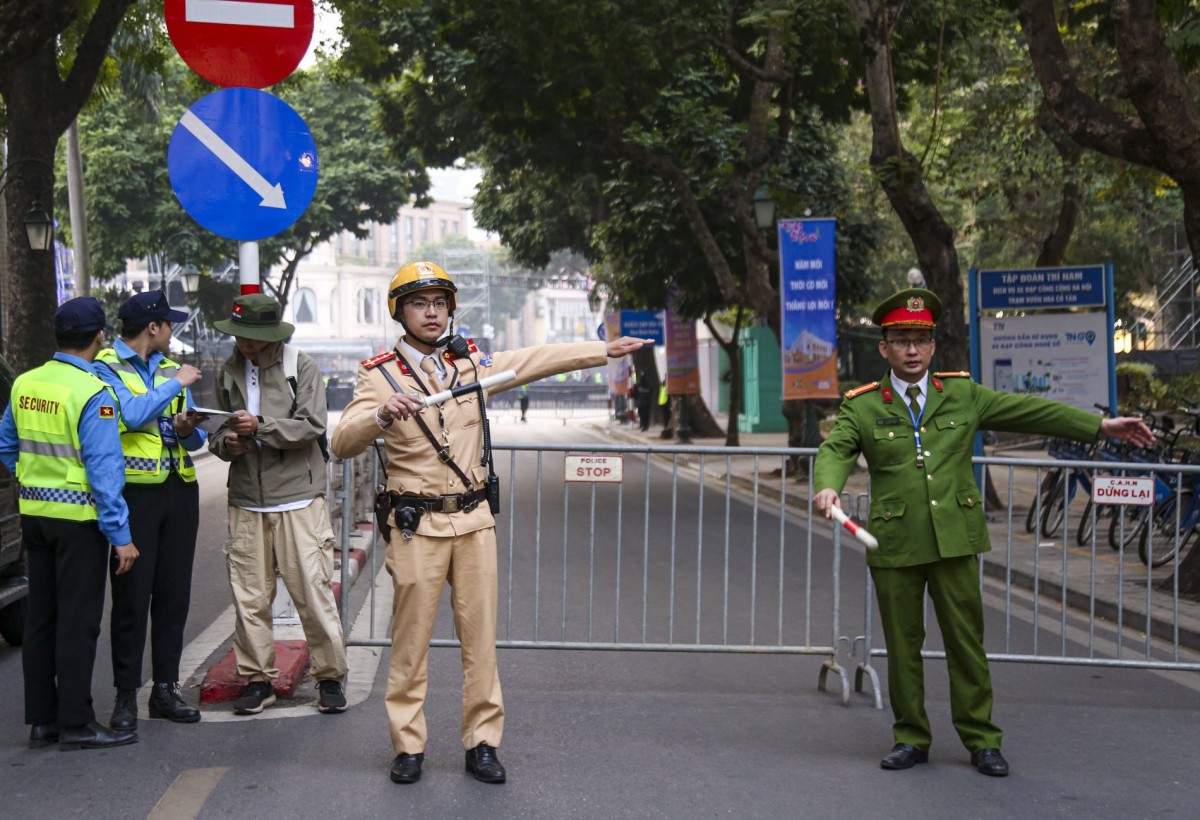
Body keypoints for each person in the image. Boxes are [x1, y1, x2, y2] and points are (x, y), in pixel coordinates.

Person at [812, 286, 1156, 777]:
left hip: (955, 538)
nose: (911, 349)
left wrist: (1100, 427)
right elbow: (836, 450)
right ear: (883, 347)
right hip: (896, 542)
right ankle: (911, 737)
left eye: (920, 339)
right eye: (900, 339)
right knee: (903, 646)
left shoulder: (963, 393)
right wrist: (828, 488)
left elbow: (1030, 410)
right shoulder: (863, 406)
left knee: (965, 643)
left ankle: (981, 740)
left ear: (933, 347)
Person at [329, 260, 649, 786]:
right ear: (400, 312)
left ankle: (482, 742)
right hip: (417, 528)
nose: (431, 313)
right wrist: (382, 415)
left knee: (481, 642)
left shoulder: (468, 363)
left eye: (439, 303)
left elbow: (529, 360)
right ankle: (408, 745)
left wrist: (599, 351)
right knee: (410, 643)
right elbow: (342, 441)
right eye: (419, 303)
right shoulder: (379, 374)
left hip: (474, 522)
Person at [0, 297, 140, 750]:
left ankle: (42, 721)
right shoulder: (91, 392)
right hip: (79, 522)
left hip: (35, 518)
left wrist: (29, 478)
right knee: (78, 623)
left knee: (42, 617)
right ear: (99, 338)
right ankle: (78, 722)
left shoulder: (24, 383)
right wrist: (121, 536)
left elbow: (6, 443)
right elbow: (103, 471)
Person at [208, 294, 348, 716]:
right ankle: (256, 679)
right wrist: (227, 443)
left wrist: (262, 427)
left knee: (312, 593)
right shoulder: (228, 371)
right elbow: (217, 433)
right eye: (240, 337)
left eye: (253, 338)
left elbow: (312, 424)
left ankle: (330, 678)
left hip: (298, 499)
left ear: (271, 335)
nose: (246, 345)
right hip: (247, 500)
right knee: (249, 597)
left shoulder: (299, 366)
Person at [94, 291, 205, 729]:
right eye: (168, 324)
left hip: (180, 491)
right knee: (131, 597)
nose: (172, 332)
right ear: (152, 328)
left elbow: (194, 439)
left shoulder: (166, 369)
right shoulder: (106, 367)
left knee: (174, 596)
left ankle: (165, 690)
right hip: (135, 495)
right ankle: (125, 696)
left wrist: (185, 428)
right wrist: (175, 385)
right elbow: (130, 415)